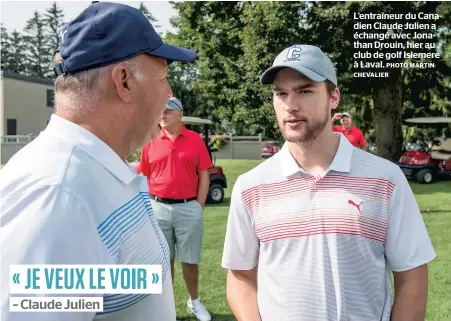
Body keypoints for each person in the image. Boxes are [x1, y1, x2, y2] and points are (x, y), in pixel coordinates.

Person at [0, 2, 196, 321]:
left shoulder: (92, 176)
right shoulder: (59, 198)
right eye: (163, 78)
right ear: (124, 81)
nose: (169, 92)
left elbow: (108, 291)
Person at [221, 44, 436, 321]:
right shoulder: (251, 186)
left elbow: (412, 276)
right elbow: (240, 276)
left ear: (333, 97)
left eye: (305, 90)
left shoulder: (386, 179)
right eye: (280, 93)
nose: (290, 104)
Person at [137, 97, 212, 321]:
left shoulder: (195, 140)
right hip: (157, 207)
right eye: (160, 111)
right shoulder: (150, 141)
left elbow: (204, 174)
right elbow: (143, 175)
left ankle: (194, 302)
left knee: (189, 259)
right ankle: (166, 308)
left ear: (180, 115)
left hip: (188, 207)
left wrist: (199, 205)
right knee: (163, 260)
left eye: (168, 111)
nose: (163, 114)